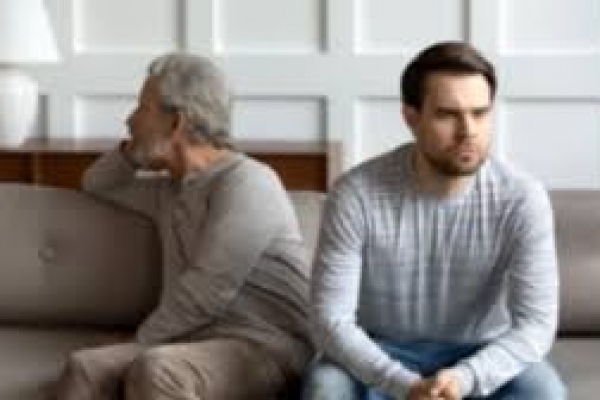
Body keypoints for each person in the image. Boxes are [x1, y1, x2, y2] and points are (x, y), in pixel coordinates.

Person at [303, 41, 565, 399]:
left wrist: (464, 378)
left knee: (545, 391)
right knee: (326, 388)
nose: (468, 131)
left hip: (480, 353)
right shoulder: (356, 194)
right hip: (380, 352)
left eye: (480, 113)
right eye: (447, 115)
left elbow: (536, 325)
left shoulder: (521, 198)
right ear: (411, 117)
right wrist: (405, 385)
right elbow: (330, 321)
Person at [55, 52, 313, 400]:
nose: (129, 120)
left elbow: (208, 290)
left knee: (157, 368)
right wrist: (135, 151)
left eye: (142, 108)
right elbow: (97, 182)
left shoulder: (248, 182)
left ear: (176, 122)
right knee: (85, 366)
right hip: (195, 342)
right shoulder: (169, 190)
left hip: (266, 346)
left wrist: (137, 343)